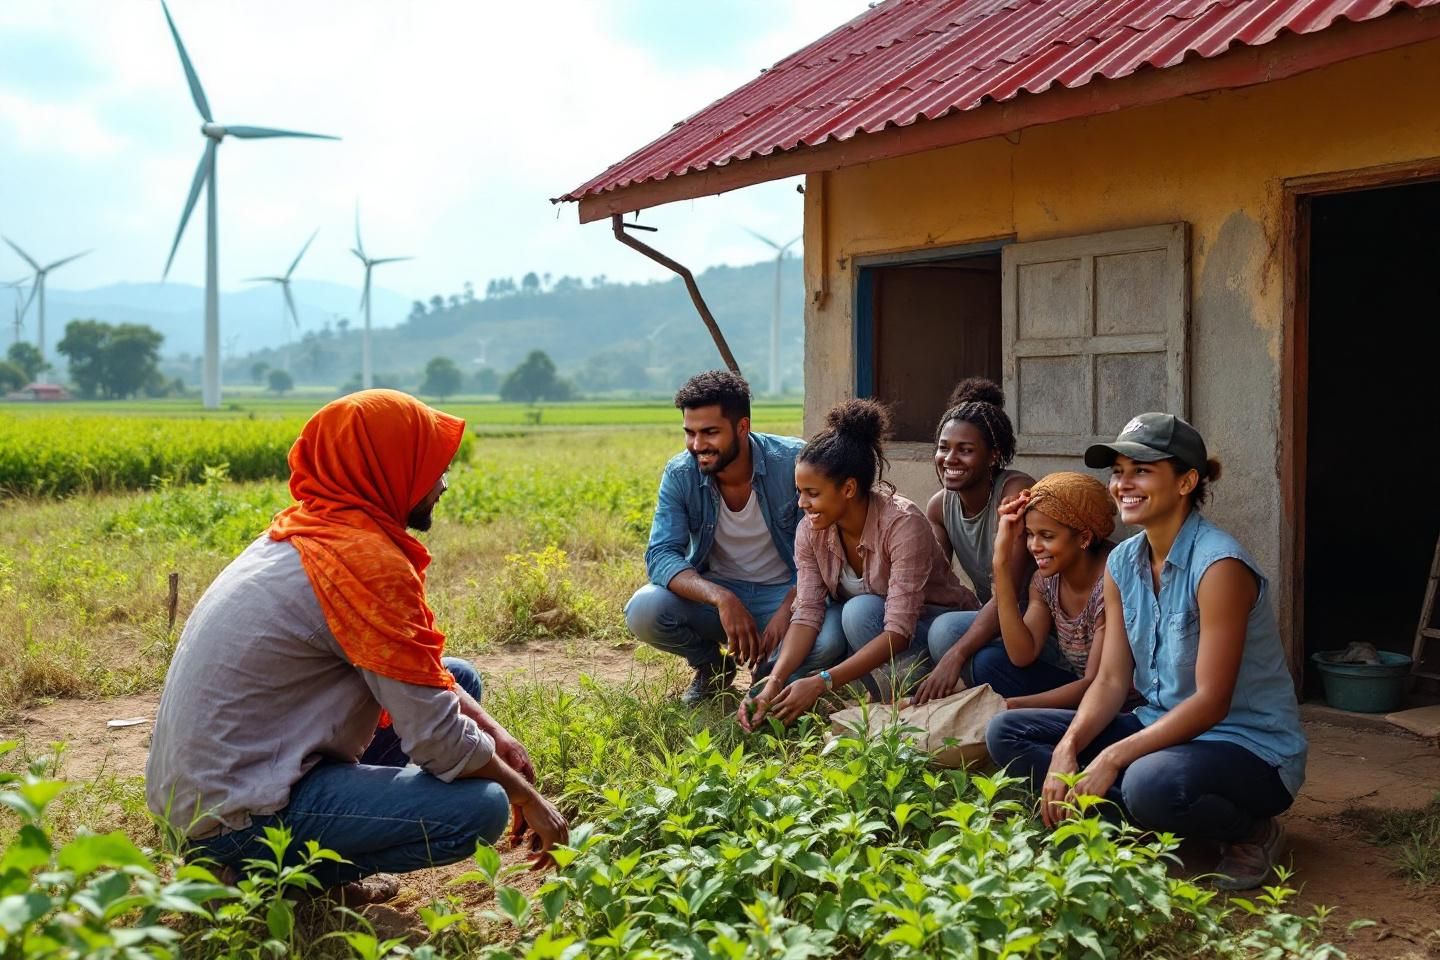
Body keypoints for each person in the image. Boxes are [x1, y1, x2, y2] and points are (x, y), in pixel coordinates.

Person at [146, 390, 568, 901]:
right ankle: (266, 881)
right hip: (234, 817)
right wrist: (525, 795)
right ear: (389, 468)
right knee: (479, 809)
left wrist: (493, 732)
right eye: (432, 467)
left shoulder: (310, 532)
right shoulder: (363, 563)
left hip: (204, 793)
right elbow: (437, 737)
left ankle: (266, 859)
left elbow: (427, 682)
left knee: (461, 678)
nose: (443, 484)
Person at [986, 413, 1307, 890]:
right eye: (1118, 471)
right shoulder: (1122, 562)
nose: (1123, 484)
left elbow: (1212, 702)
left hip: (1247, 747)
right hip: (1161, 728)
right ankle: (1133, 820)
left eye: (1141, 470)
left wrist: (1113, 756)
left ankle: (1251, 832)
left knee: (1146, 782)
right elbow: (1112, 681)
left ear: (1186, 482)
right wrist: (1069, 748)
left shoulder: (1219, 566)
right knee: (1006, 732)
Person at [739, 400, 978, 730]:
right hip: (884, 637)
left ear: (848, 488)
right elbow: (807, 612)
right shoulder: (811, 530)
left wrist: (823, 681)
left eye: (812, 493)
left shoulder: (901, 524)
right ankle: (890, 692)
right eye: (799, 492)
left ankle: (925, 690)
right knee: (854, 614)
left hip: (936, 628)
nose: (801, 503)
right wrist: (775, 680)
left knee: (865, 612)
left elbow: (899, 630)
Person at [625, 371, 835, 705]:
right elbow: (662, 555)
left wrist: (788, 608)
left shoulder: (793, 463)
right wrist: (721, 598)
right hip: (718, 597)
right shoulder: (681, 473)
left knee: (831, 638)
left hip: (785, 594)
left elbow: (825, 551)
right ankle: (712, 666)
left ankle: (770, 671)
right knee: (644, 610)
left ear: (742, 427)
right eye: (690, 433)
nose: (697, 445)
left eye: (710, 432)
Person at [913, 379, 1036, 704]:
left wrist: (955, 654)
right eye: (944, 447)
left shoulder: (1015, 493)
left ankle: (948, 677)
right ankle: (926, 682)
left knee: (946, 633)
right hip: (984, 617)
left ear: (993, 456)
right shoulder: (940, 506)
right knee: (869, 614)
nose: (949, 458)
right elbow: (935, 585)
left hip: (1025, 624)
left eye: (965, 450)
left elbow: (1010, 592)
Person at [986, 472, 1117, 708]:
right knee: (987, 663)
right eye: (1029, 534)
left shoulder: (1112, 581)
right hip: (1078, 686)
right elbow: (1022, 654)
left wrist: (1012, 706)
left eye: (1046, 536)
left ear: (1084, 538)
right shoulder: (1046, 582)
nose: (1034, 547)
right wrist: (1001, 562)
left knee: (1002, 727)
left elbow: (1095, 684)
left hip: (1112, 704)